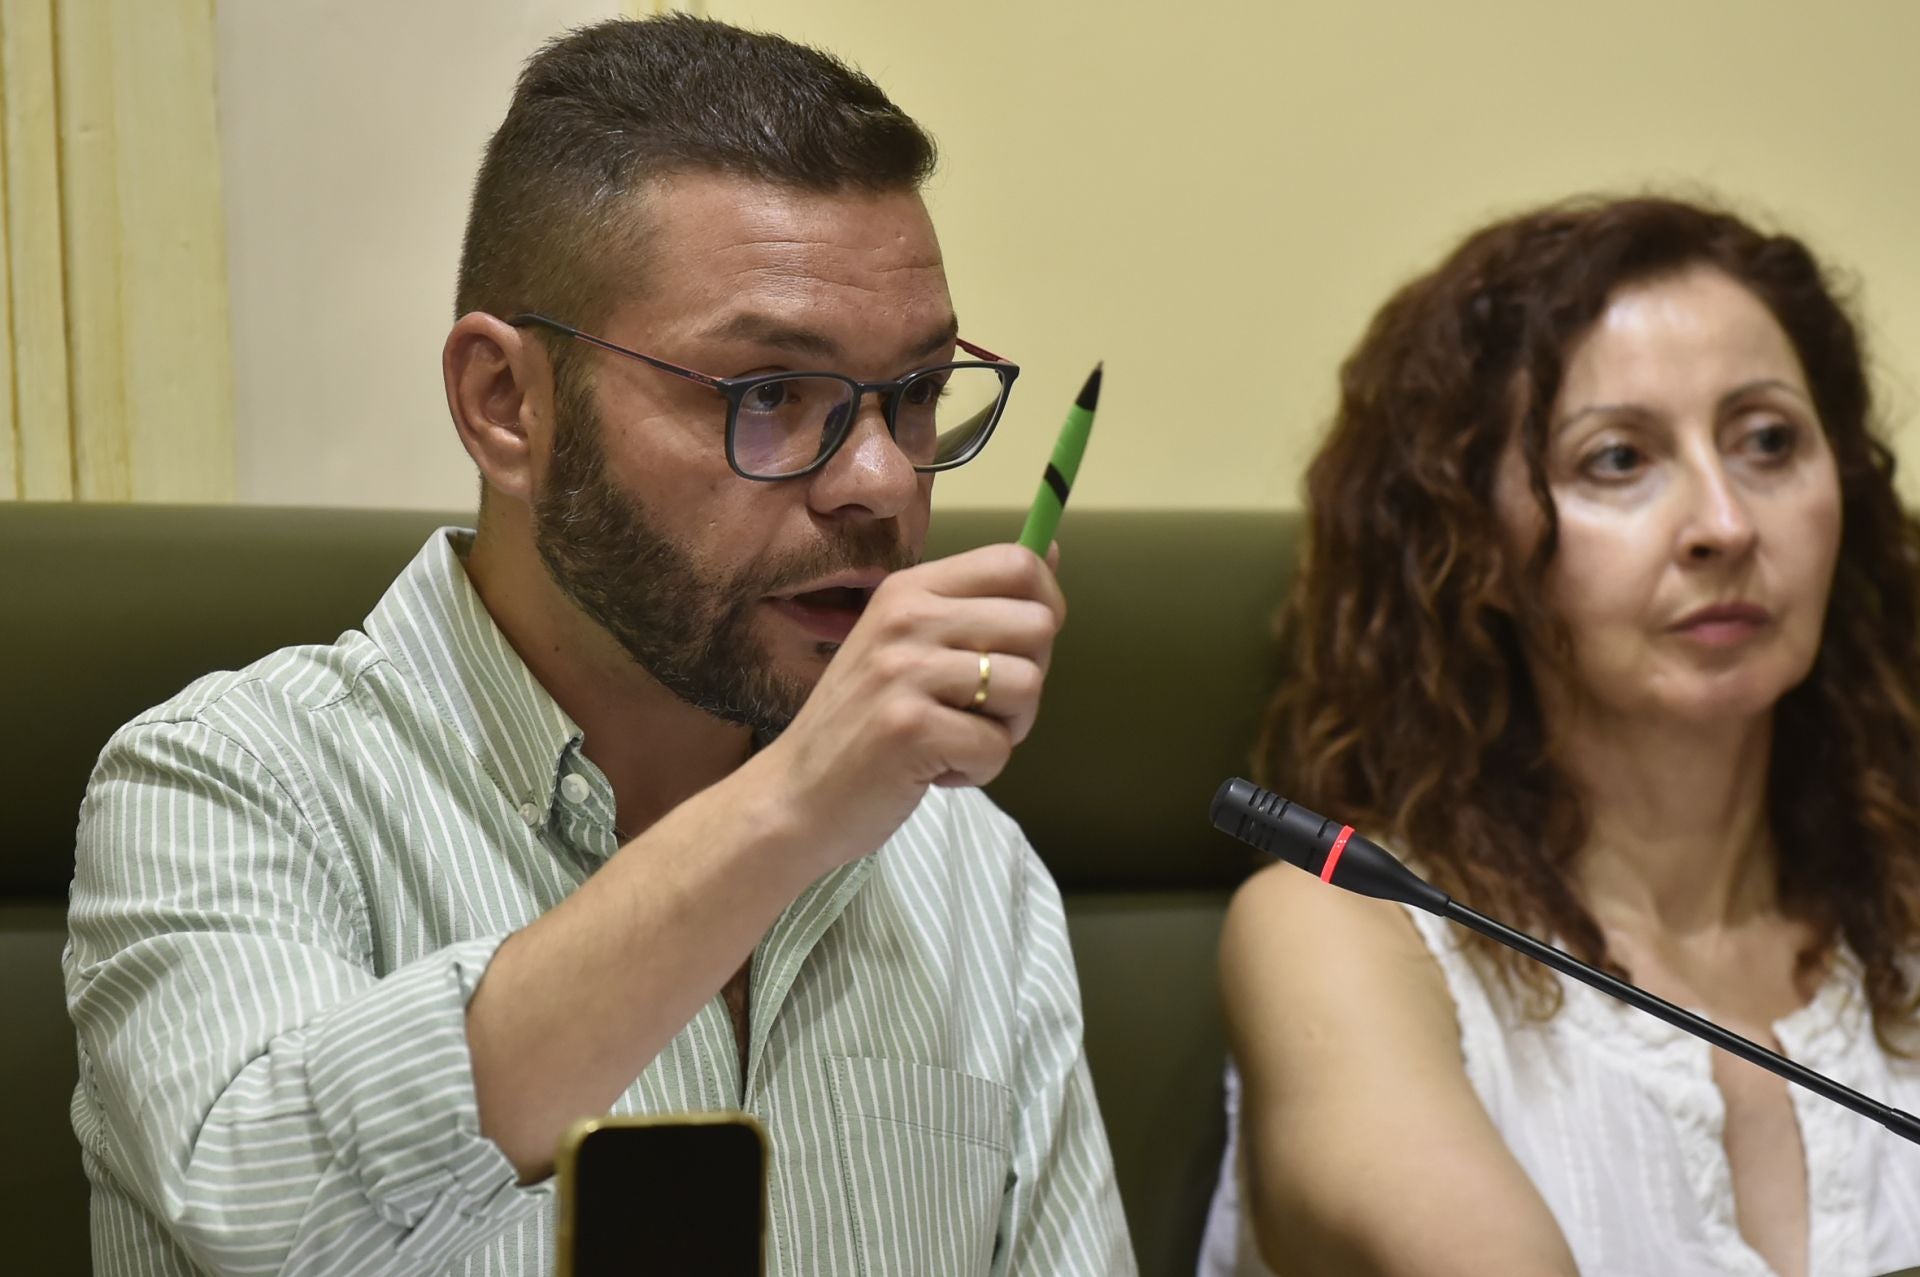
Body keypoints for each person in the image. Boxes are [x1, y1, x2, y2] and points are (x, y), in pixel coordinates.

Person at [64, 16, 1133, 1276]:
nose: (880, 479)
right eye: (767, 394)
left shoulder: (969, 866)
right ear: (505, 404)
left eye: (913, 394)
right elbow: (275, 1225)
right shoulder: (229, 782)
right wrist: (791, 806)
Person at [1198, 196, 1920, 1277]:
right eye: (1618, 459)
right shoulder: (1351, 931)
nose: (1725, 523)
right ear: (1475, 542)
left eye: (1769, 439)